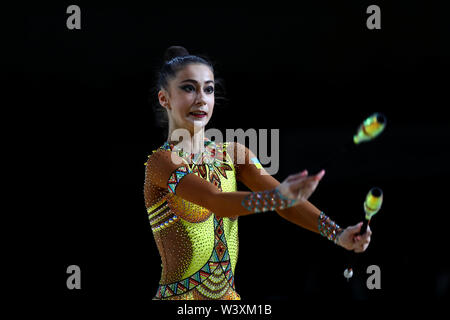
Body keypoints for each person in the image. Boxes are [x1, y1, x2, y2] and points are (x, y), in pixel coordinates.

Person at [144, 46, 372, 300]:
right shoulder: (161, 162)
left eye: (208, 89)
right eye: (188, 88)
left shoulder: (234, 153)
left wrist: (337, 233)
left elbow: (283, 202)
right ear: (164, 99)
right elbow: (217, 202)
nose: (201, 99)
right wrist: (278, 197)